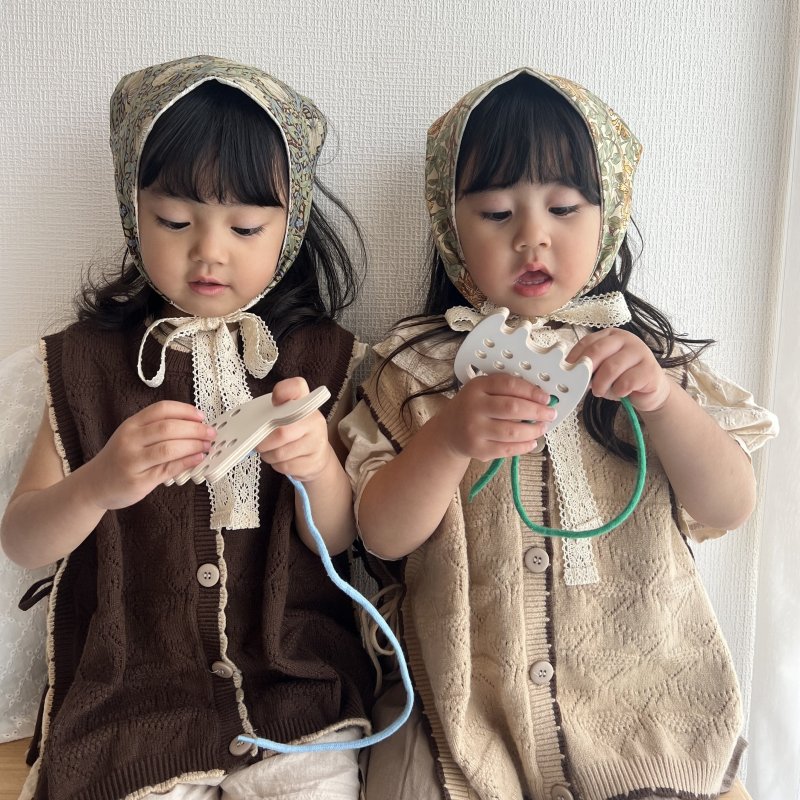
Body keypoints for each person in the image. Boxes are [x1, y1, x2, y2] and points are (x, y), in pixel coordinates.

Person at [340, 69, 778, 800]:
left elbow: (729, 505)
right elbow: (381, 536)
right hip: (469, 712)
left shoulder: (649, 360)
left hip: (646, 717)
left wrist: (663, 402)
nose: (532, 236)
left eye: (565, 207)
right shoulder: (414, 369)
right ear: (450, 228)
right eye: (495, 212)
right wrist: (449, 438)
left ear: (609, 215)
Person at [1, 55, 375, 800]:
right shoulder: (86, 366)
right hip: (131, 706)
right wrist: (100, 483)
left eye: (246, 226)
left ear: (291, 225)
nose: (209, 251)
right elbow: (22, 541)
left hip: (295, 695)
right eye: (174, 221)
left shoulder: (324, 360)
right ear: (131, 210)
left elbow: (340, 542)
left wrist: (318, 469)